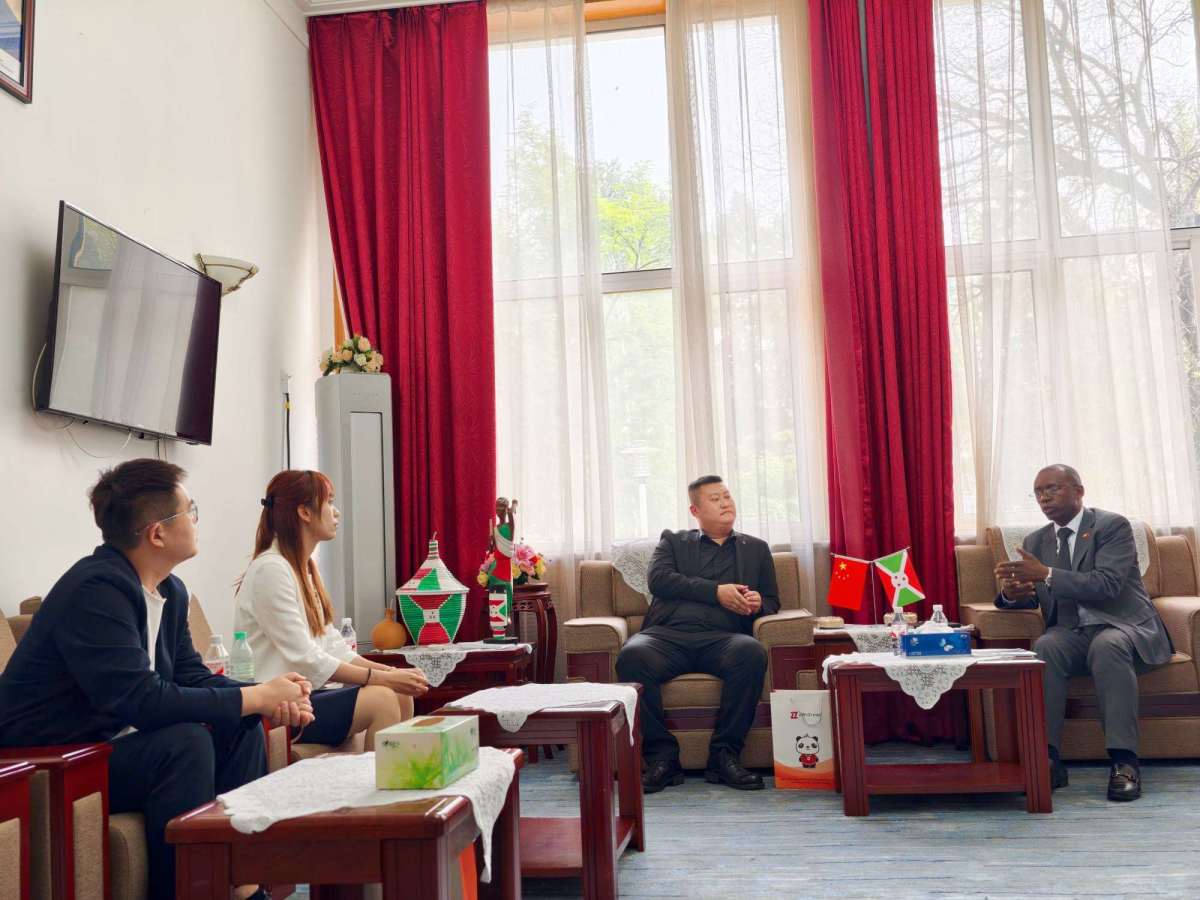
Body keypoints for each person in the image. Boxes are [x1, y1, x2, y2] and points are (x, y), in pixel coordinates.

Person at [0, 459, 312, 900]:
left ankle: (241, 884)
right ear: (158, 533)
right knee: (184, 743)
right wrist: (258, 695)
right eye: (191, 511)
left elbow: (191, 676)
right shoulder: (96, 590)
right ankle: (188, 891)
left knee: (238, 725)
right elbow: (142, 701)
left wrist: (266, 697)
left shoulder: (169, 590)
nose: (197, 521)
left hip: (108, 743)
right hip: (55, 757)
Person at [993, 464, 1172, 802]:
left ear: (1079, 491)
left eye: (1053, 488)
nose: (1044, 497)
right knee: (1046, 646)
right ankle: (1046, 760)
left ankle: (1124, 763)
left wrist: (1044, 573)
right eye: (1038, 492)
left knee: (1108, 645)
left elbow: (1107, 585)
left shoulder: (1111, 526)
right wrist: (1012, 595)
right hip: (1072, 630)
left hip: (1123, 626)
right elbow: (1042, 593)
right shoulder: (1036, 541)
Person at [235, 470, 428, 751]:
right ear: (304, 512)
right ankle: (377, 791)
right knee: (383, 698)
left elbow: (333, 647)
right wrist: (383, 678)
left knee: (399, 693)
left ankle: (393, 785)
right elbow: (306, 658)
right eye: (329, 503)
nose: (336, 513)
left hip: (309, 695)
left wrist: (391, 672)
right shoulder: (271, 569)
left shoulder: (303, 569)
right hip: (281, 706)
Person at [615, 475, 778, 792]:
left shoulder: (756, 549)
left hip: (724, 638)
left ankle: (724, 757)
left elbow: (772, 599)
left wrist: (759, 604)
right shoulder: (674, 542)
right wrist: (715, 592)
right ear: (695, 510)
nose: (725, 502)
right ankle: (663, 758)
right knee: (632, 656)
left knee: (752, 653)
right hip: (667, 636)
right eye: (715, 498)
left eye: (727, 496)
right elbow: (660, 580)